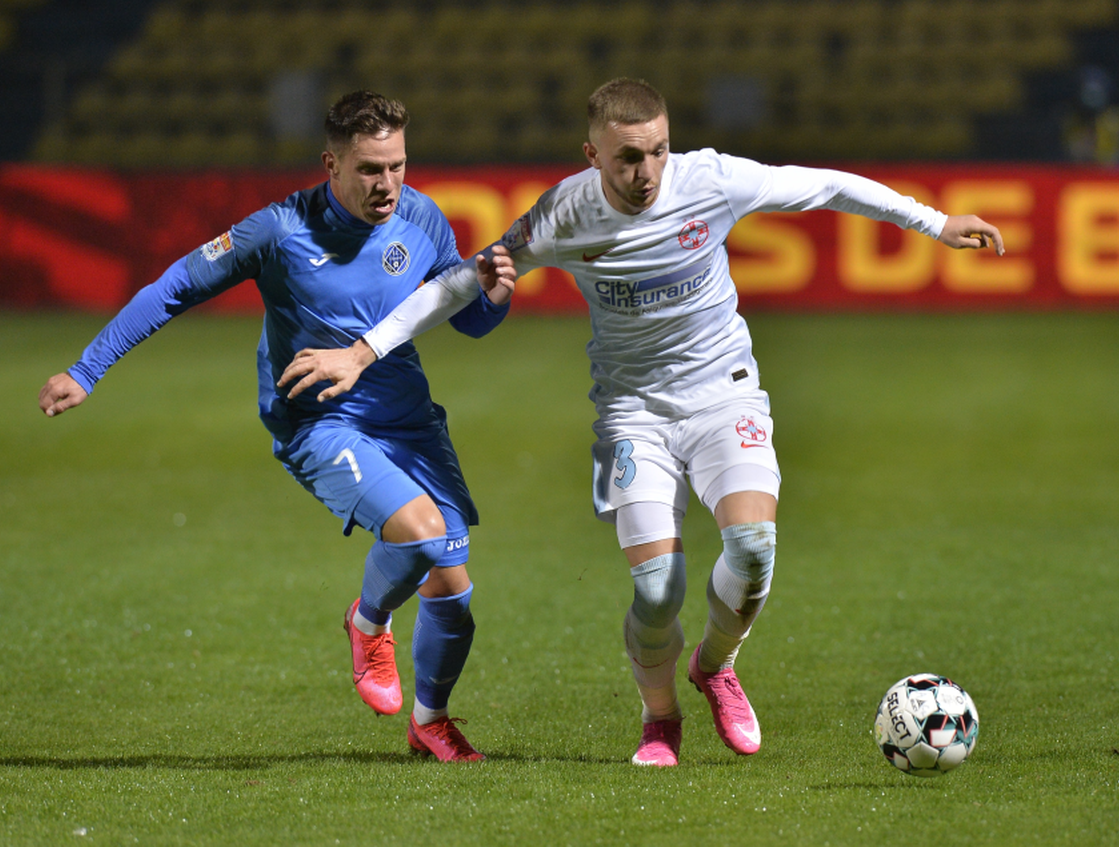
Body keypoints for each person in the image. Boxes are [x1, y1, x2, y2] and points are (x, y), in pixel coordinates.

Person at [293, 78, 1005, 767]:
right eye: (628, 157)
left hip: (724, 394)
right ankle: (660, 717)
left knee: (754, 549)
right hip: (631, 413)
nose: (647, 172)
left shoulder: (710, 181)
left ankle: (715, 665)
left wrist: (936, 223)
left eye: (658, 151)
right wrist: (362, 351)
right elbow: (460, 282)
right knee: (659, 588)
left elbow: (822, 184)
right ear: (592, 155)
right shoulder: (562, 215)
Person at [38, 90, 517, 762]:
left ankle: (430, 722)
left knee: (453, 589)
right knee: (419, 533)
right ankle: (367, 622)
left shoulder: (422, 218)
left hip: (407, 418)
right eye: (370, 169)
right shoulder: (278, 231)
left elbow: (464, 319)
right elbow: (175, 286)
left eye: (397, 165)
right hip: (319, 420)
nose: (387, 184)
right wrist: (87, 369)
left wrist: (494, 295)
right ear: (331, 164)